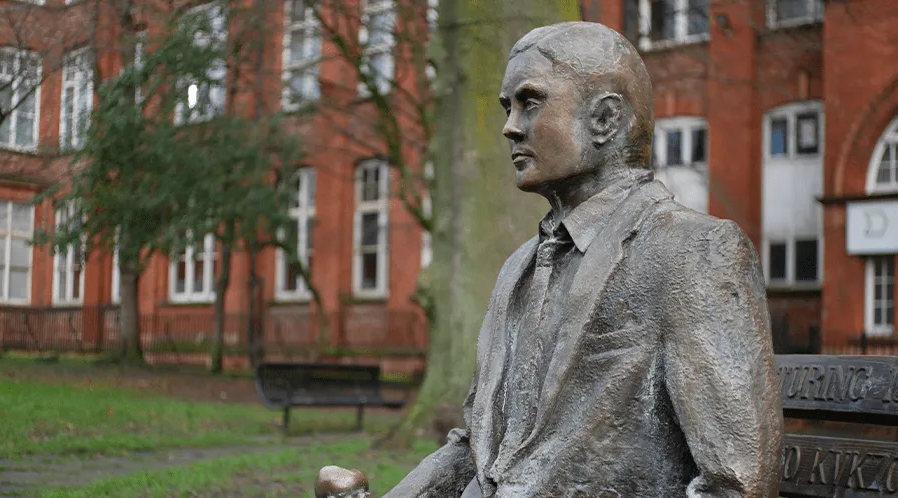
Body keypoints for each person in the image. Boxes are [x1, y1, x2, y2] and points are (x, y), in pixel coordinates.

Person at [317, 21, 783, 498]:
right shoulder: (519, 267)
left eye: (530, 102)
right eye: (507, 107)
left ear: (604, 119)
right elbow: (477, 452)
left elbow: (739, 483)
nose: (510, 127)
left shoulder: (694, 252)